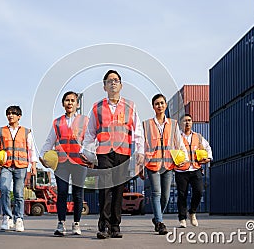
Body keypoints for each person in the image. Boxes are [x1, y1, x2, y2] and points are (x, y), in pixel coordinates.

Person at [82, 70, 144, 239]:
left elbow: (137, 131)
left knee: (118, 191)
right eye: (109, 81)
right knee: (105, 190)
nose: (113, 83)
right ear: (104, 86)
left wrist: (140, 151)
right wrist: (88, 153)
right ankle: (104, 226)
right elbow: (90, 133)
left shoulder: (130, 106)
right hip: (104, 153)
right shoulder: (97, 107)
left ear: (121, 85)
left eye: (116, 80)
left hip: (123, 153)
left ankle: (115, 226)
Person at [40, 91, 90, 236]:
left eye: (72, 100)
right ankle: (61, 223)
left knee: (78, 194)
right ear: (63, 104)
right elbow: (50, 140)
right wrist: (42, 156)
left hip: (79, 162)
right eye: (67, 100)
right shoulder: (57, 122)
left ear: (77, 104)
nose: (69, 103)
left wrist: (90, 157)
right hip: (62, 162)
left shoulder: (85, 121)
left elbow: (89, 140)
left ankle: (76, 224)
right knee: (61, 192)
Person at [143, 94, 188, 235]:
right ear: (153, 106)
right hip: (152, 163)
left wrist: (184, 158)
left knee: (166, 197)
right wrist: (139, 164)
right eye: (157, 104)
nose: (160, 106)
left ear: (165, 105)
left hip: (168, 164)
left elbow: (179, 143)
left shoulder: (173, 124)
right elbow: (141, 145)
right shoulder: (147, 124)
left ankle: (157, 217)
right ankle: (160, 223)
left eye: (162, 103)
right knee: (156, 193)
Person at [0, 105, 38, 232]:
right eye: (8, 113)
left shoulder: (26, 132)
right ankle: (7, 217)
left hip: (21, 166)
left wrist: (33, 164)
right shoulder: (0, 131)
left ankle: (19, 219)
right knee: (4, 189)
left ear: (19, 116)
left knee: (19, 193)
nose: (10, 115)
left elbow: (31, 149)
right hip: (5, 166)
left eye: (13, 113)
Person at [174, 113, 212, 228]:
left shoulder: (198, 137)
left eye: (189, 120)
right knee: (182, 195)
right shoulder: (176, 138)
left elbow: (207, 147)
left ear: (192, 122)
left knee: (199, 191)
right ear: (181, 123)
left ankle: (192, 212)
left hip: (195, 168)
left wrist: (209, 158)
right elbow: (169, 151)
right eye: (185, 120)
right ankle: (182, 218)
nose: (187, 122)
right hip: (181, 170)